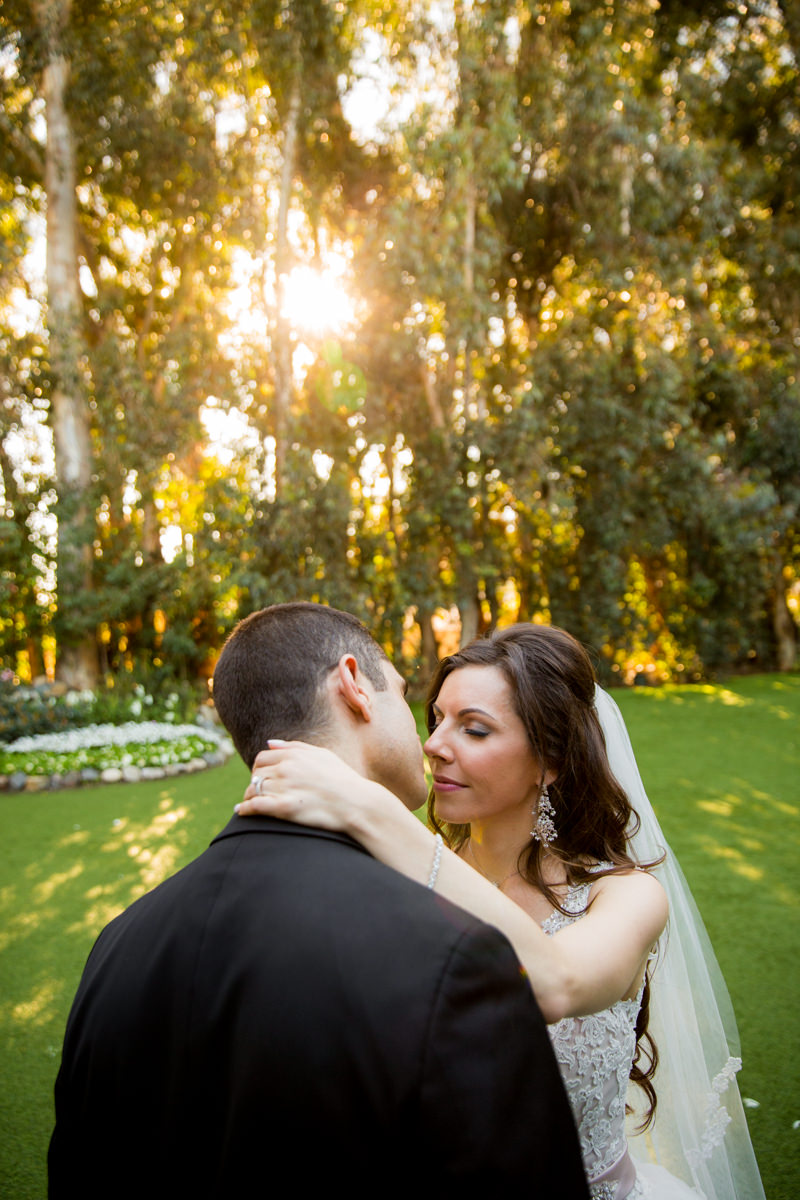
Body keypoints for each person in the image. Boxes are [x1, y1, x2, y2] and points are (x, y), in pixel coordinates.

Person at [48, 603, 589, 1199]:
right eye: (411, 703)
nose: (429, 741)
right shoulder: (453, 954)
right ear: (355, 686)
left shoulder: (119, 941)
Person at [238, 622, 766, 1200]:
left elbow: (558, 984)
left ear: (551, 761)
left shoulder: (627, 897)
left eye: (475, 729)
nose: (436, 744)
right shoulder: (389, 878)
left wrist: (372, 810)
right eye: (435, 719)